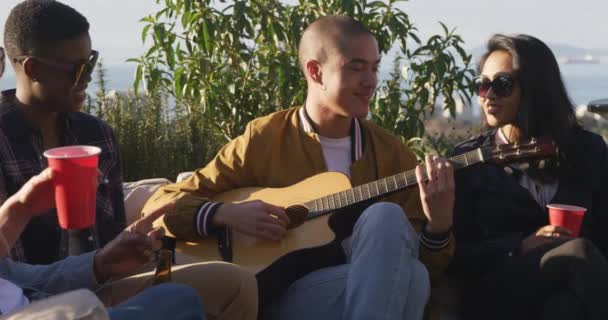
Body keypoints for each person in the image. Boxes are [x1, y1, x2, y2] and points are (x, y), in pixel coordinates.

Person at [143, 15, 455, 320]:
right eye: (356, 68)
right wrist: (225, 214)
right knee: (407, 268)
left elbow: (422, 262)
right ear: (316, 72)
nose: (370, 81)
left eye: (374, 68)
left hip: (352, 291)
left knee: (412, 272)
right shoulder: (264, 139)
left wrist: (437, 227)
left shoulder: (391, 153)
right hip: (278, 292)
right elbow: (160, 207)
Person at [448, 34, 608, 320]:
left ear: (536, 88)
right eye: (482, 85)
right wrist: (519, 246)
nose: (489, 95)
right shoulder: (468, 160)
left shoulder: (588, 151)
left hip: (571, 291)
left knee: (563, 309)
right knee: (578, 252)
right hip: (496, 294)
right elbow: (454, 256)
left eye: (502, 84)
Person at [0, 167, 258, 320]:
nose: (84, 78)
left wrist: (101, 263)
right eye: (76, 71)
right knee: (179, 300)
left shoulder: (93, 130)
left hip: (52, 296)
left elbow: (18, 279)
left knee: (236, 284)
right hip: (58, 310)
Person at [1, 0, 125, 264]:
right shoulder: (3, 141)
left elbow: (115, 232)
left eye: (90, 64)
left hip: (103, 285)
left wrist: (132, 244)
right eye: (78, 69)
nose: (87, 79)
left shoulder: (97, 135)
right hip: (28, 299)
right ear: (33, 69)